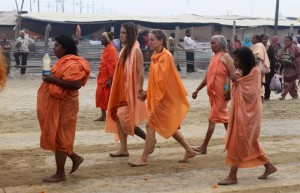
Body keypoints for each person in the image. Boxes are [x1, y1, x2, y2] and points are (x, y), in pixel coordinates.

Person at [128, 29, 197, 167]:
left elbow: (162, 82)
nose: (149, 42)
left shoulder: (166, 57)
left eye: (152, 40)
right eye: (149, 40)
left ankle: (144, 158)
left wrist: (148, 93)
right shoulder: (156, 56)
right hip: (159, 97)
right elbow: (156, 81)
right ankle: (189, 150)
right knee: (168, 125)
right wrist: (148, 93)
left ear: (161, 41)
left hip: (164, 98)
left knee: (150, 125)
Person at [218, 47, 277, 185]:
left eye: (237, 60)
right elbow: (233, 87)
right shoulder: (240, 71)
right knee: (250, 142)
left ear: (244, 60)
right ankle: (269, 166)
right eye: (234, 60)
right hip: (239, 111)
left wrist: (238, 80)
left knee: (239, 142)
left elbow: (250, 93)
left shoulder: (255, 72)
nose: (235, 63)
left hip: (249, 113)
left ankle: (233, 176)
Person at [37, 34, 91, 183]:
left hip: (66, 104)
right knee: (56, 134)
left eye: (57, 45)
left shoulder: (73, 63)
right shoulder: (62, 62)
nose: (54, 48)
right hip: (57, 103)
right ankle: (75, 157)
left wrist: (53, 80)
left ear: (65, 48)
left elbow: (76, 84)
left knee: (60, 136)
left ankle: (60, 174)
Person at [105, 22, 148, 157]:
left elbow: (140, 72)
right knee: (119, 118)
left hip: (131, 90)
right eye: (121, 32)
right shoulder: (124, 50)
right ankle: (123, 149)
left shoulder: (136, 50)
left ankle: (149, 140)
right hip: (121, 89)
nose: (121, 35)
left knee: (125, 119)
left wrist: (140, 90)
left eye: (124, 32)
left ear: (130, 34)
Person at [192, 35, 236, 154]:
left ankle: (204, 146)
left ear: (221, 44)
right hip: (213, 93)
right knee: (224, 118)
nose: (211, 45)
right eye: (211, 43)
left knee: (213, 119)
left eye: (214, 43)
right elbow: (208, 77)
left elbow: (234, 75)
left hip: (222, 94)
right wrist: (197, 89)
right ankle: (233, 144)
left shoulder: (226, 57)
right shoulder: (214, 58)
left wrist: (230, 91)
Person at [95, 32, 117, 121]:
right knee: (100, 96)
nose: (101, 39)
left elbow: (112, 65)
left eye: (103, 37)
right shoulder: (106, 49)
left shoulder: (111, 49)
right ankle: (103, 115)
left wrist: (110, 79)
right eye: (101, 37)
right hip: (102, 76)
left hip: (107, 78)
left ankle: (111, 115)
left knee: (108, 96)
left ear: (108, 39)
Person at [278, 36, 300, 100]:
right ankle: (295, 95)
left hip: (293, 67)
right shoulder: (283, 48)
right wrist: (279, 59)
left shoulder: (295, 48)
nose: (287, 42)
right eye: (285, 41)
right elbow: (280, 56)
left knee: (288, 81)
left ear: (291, 41)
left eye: (288, 41)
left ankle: (283, 95)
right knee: (291, 82)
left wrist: (295, 62)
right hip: (286, 68)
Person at [250, 34, 270, 102]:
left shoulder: (259, 45)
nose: (251, 40)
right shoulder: (255, 45)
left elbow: (257, 56)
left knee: (258, 83)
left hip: (258, 67)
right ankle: (260, 97)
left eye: (253, 38)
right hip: (256, 67)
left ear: (257, 40)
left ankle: (260, 97)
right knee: (258, 83)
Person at [261, 34, 276, 100]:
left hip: (269, 67)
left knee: (268, 82)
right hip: (261, 67)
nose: (265, 40)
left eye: (266, 39)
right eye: (263, 39)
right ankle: (260, 96)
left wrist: (273, 68)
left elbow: (273, 58)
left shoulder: (270, 48)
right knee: (260, 82)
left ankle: (267, 96)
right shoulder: (259, 47)